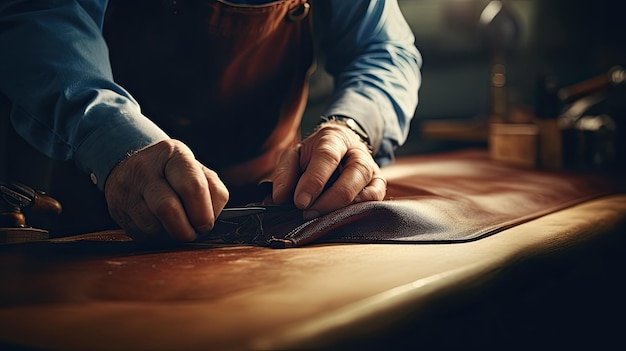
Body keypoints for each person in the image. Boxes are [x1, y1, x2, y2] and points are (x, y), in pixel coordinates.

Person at [0, 0, 421, 242]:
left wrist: (350, 127)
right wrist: (112, 140)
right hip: (87, 205)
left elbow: (383, 48)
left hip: (278, 206)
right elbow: (42, 16)